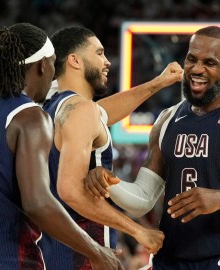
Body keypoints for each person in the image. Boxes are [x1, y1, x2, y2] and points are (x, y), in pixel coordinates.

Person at [85, 26, 220, 270]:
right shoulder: (167, 119)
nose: (197, 69)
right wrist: (109, 183)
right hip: (168, 261)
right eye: (192, 59)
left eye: (209, 63)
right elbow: (143, 199)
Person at [40, 25, 183, 269]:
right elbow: (70, 190)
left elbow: (102, 113)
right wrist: (138, 231)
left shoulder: (54, 106)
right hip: (83, 252)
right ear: (75, 60)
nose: (107, 61)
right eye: (99, 53)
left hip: (53, 248)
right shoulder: (82, 111)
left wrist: (158, 83)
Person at [0, 23, 124, 270]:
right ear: (43, 65)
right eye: (54, 63)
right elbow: (38, 202)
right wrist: (96, 251)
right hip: (10, 258)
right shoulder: (30, 117)